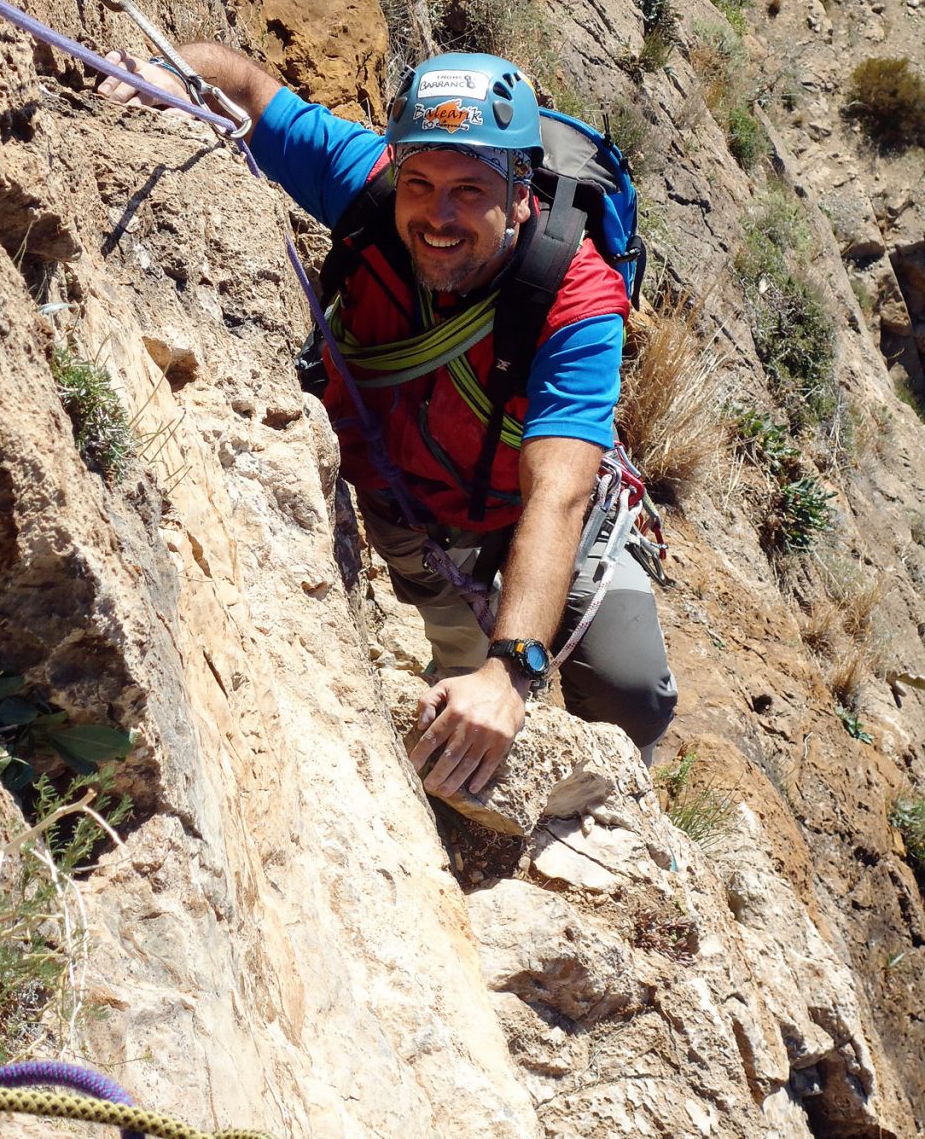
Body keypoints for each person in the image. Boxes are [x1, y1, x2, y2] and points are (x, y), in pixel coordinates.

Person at [99, 47, 677, 797]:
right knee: (455, 692)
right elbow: (240, 83)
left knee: (632, 690)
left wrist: (514, 668)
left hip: (539, 510)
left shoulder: (576, 295)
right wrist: (168, 73)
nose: (437, 215)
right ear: (397, 169)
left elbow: (558, 494)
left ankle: (626, 799)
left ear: (521, 189)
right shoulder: (370, 186)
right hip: (417, 521)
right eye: (422, 183)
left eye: (469, 191)